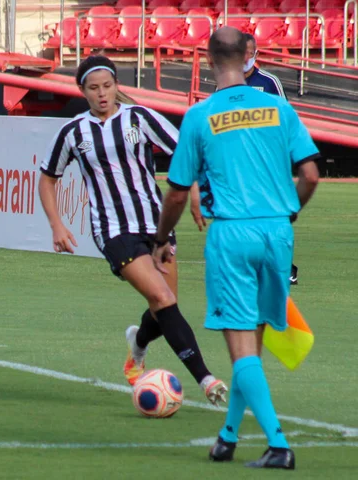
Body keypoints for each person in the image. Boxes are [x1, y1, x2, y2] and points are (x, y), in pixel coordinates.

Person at [154, 27, 319, 469]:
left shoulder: (199, 115)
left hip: (232, 235)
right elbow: (310, 175)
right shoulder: (280, 108)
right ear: (248, 56)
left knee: (241, 348)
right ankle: (227, 437)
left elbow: (175, 193)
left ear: (209, 61)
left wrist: (159, 238)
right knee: (256, 341)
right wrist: (289, 214)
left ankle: (278, 445)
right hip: (277, 233)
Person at [38, 55, 227, 406]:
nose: (102, 94)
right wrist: (57, 225)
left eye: (107, 86)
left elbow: (185, 152)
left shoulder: (139, 118)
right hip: (112, 229)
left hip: (158, 226)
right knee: (162, 299)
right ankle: (206, 379)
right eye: (93, 88)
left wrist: (197, 192)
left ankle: (137, 344)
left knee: (162, 307)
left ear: (116, 86)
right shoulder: (73, 131)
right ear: (82, 91)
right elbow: (48, 178)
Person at [243, 33, 299, 285]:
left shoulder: (269, 82)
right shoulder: (225, 84)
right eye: (240, 53)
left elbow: (287, 119)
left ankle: (284, 266)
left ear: (256, 53)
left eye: (249, 52)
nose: (245, 58)